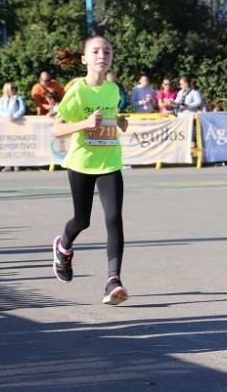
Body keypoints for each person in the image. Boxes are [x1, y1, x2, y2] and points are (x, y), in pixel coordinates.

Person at [50, 36, 131, 306]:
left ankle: (113, 280)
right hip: (81, 163)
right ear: (84, 58)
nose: (102, 55)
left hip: (109, 162)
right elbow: (56, 129)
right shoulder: (77, 90)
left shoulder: (113, 90)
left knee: (114, 218)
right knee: (82, 220)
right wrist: (84, 122)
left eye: (107, 51)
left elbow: (108, 117)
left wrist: (118, 121)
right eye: (95, 51)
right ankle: (63, 246)